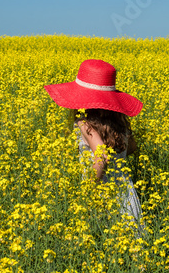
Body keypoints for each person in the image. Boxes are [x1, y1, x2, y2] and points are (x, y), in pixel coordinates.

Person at [44, 59, 144, 236]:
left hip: (102, 193)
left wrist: (89, 192)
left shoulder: (85, 123)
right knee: (132, 247)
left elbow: (101, 156)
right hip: (125, 192)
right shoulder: (120, 122)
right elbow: (132, 148)